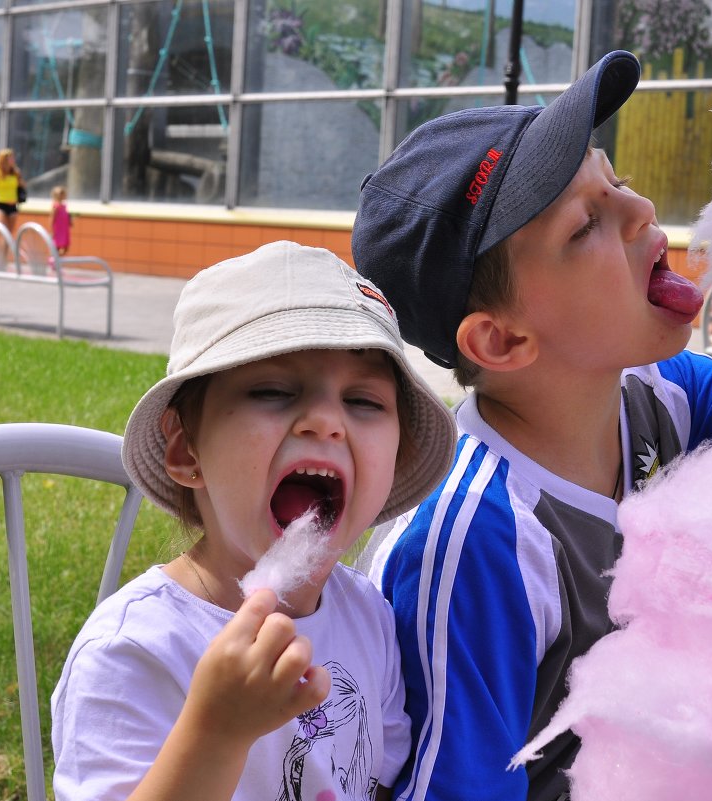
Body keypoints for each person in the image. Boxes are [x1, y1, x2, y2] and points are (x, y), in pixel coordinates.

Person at [350, 50, 712, 801]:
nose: (640, 212)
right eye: (586, 225)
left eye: (616, 180)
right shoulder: (476, 539)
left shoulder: (665, 395)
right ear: (501, 341)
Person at [50, 241, 458, 801]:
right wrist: (216, 732)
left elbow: (378, 780)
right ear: (186, 451)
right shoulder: (134, 651)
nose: (325, 420)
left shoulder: (369, 619)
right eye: (272, 390)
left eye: (363, 401)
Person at [0, 148, 26, 237]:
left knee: (9, 233)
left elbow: (22, 186)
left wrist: (21, 182)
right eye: (10, 158)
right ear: (3, 159)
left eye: (13, 157)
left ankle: (5, 250)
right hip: (1, 205)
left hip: (13, 206)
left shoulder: (16, 173)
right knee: (3, 231)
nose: (13, 160)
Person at [50, 184, 71, 255]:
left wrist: (70, 221)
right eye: (60, 194)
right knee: (57, 246)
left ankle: (57, 260)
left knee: (65, 247)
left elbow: (65, 216)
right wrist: (52, 231)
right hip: (58, 230)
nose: (62, 196)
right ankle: (54, 261)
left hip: (64, 230)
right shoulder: (56, 206)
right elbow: (52, 219)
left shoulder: (64, 206)